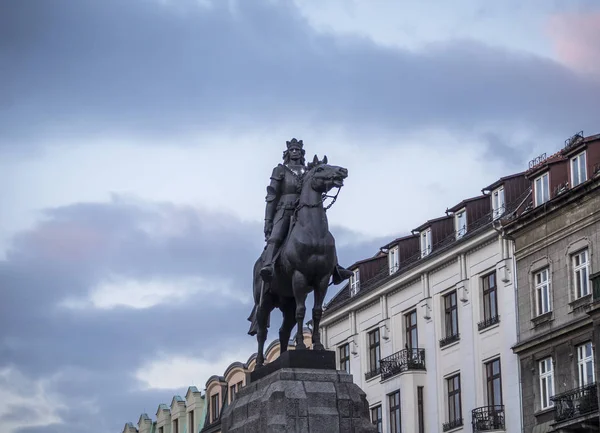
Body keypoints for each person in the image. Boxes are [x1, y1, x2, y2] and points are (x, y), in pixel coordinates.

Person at [259, 138, 354, 284]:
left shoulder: (309, 171)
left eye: (298, 149)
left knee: (325, 236)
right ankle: (268, 266)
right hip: (284, 209)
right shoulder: (280, 170)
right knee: (276, 236)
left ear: (302, 152)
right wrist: (268, 221)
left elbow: (318, 185)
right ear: (288, 153)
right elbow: (272, 196)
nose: (295, 152)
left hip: (306, 208)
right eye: (292, 150)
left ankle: (336, 268)